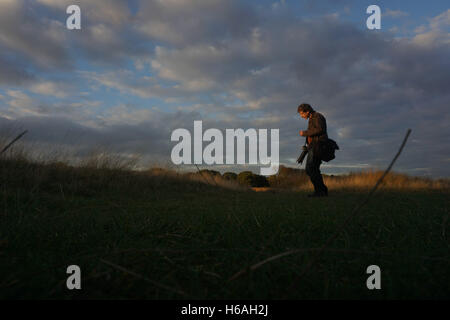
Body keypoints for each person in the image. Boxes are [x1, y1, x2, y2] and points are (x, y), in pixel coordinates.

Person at [298, 103, 329, 197]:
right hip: (313, 146)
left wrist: (305, 133)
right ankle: (321, 191)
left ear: (307, 111)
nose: (301, 116)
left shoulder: (317, 117)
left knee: (311, 168)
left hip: (318, 146)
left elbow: (320, 129)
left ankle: (320, 191)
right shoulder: (312, 118)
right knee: (311, 169)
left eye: (302, 114)